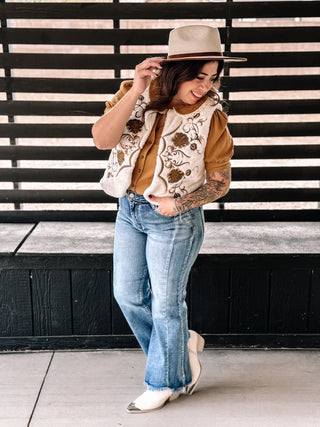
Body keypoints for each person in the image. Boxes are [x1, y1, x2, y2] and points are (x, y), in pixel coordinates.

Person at [92, 25, 246, 413]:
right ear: (175, 73)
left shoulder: (211, 117)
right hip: (129, 209)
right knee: (127, 294)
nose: (205, 86)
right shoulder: (137, 95)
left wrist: (179, 203)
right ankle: (181, 346)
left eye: (212, 77)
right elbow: (102, 139)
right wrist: (136, 87)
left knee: (165, 304)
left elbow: (220, 182)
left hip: (174, 219)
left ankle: (166, 381)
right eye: (198, 77)